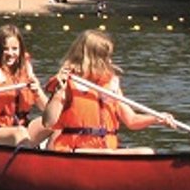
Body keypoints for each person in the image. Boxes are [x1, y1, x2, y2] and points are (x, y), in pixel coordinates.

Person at [33, 30, 175, 151]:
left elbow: (131, 120)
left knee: (146, 153)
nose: (110, 62)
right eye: (106, 57)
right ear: (92, 59)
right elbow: (48, 122)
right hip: (75, 150)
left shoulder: (111, 84)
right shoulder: (67, 82)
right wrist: (59, 92)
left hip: (105, 150)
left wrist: (156, 118)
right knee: (99, 154)